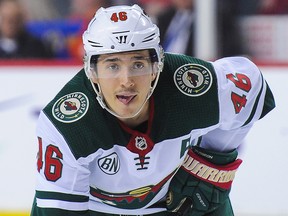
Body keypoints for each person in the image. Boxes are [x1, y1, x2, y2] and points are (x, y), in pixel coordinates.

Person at [30, 4, 275, 216]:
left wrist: (211, 160)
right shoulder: (67, 125)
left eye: (138, 64)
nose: (126, 81)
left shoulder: (188, 84)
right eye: (112, 66)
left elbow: (252, 84)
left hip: (175, 204)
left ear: (157, 65)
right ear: (91, 71)